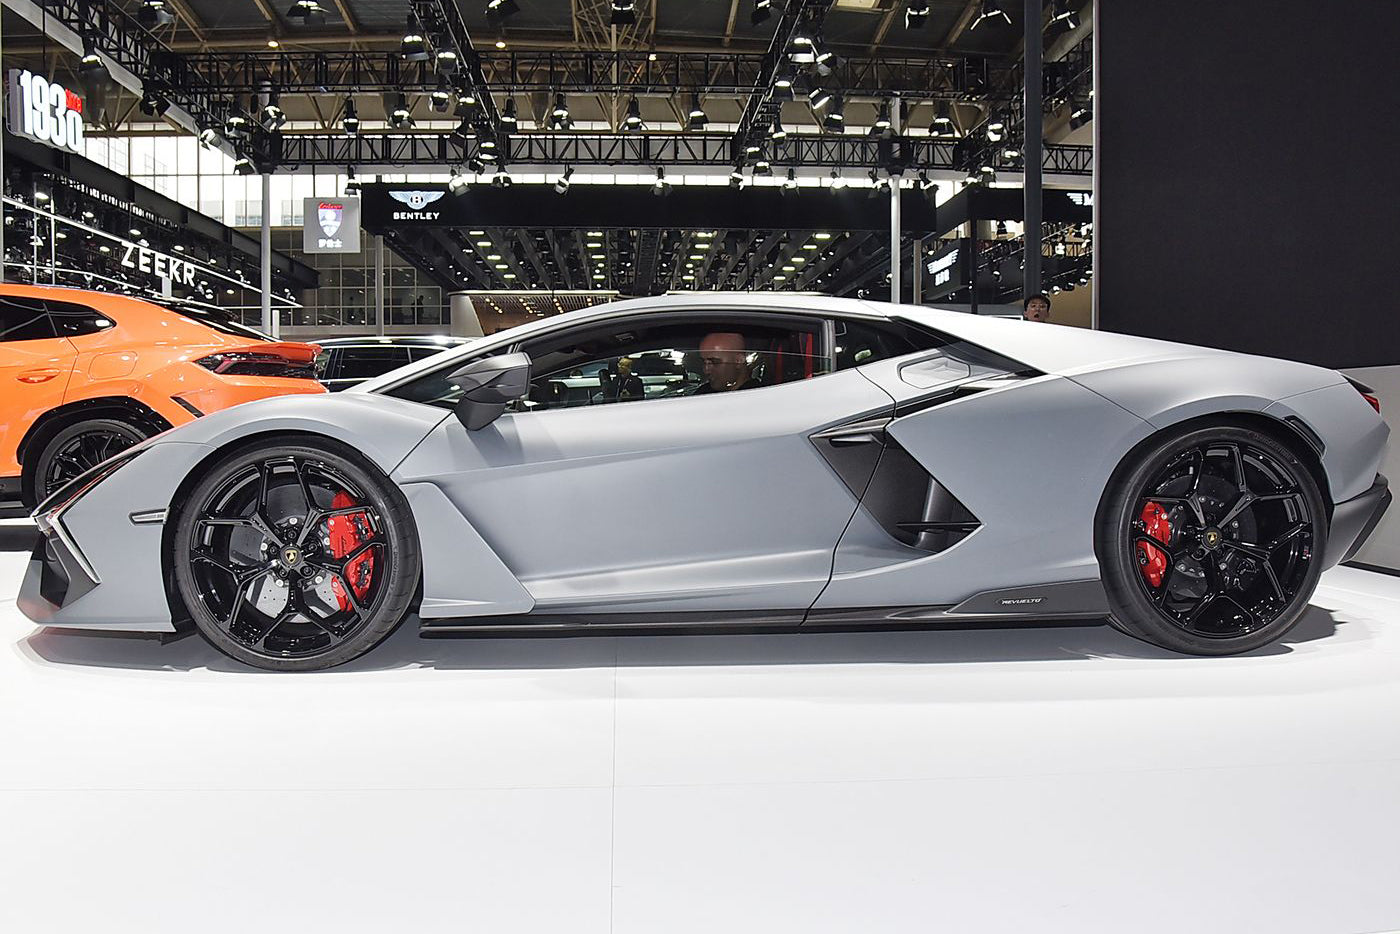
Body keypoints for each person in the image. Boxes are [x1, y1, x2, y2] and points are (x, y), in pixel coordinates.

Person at [696, 331, 761, 393]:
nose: (706, 370)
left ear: (739, 360)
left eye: (715, 362)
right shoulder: (703, 392)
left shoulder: (759, 394)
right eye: (703, 362)